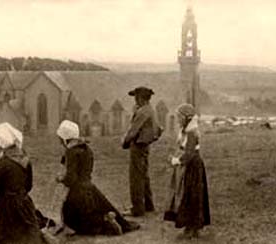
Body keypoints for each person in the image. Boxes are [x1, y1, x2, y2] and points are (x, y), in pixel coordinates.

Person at [55, 120, 140, 236]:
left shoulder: (71, 152)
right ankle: (109, 219)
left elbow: (71, 178)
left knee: (70, 218)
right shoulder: (86, 149)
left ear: (65, 137)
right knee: (95, 210)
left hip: (77, 193)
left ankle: (106, 223)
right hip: (90, 189)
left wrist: (61, 178)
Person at [0, 123, 48, 244]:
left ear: (2, 144)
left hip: (6, 208)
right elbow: (28, 185)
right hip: (24, 205)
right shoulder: (26, 160)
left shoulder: (3, 163)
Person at [164, 103, 210, 239]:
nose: (178, 119)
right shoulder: (187, 130)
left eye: (180, 117)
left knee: (190, 196)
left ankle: (191, 227)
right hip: (191, 166)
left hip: (193, 168)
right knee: (191, 196)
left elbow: (189, 153)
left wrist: (176, 161)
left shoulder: (191, 132)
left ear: (186, 118)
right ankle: (192, 227)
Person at [122, 86, 163, 217]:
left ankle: (137, 208)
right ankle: (148, 205)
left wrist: (125, 143)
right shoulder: (151, 110)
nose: (135, 100)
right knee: (144, 175)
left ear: (141, 98)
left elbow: (133, 131)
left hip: (138, 146)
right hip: (145, 145)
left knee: (136, 178)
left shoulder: (142, 112)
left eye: (136, 97)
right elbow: (159, 129)